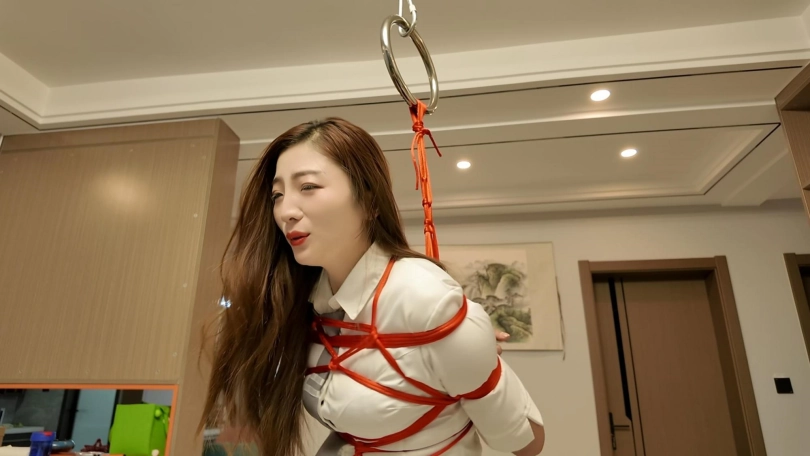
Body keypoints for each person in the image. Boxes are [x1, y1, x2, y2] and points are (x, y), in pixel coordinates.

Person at [201, 118, 545, 456]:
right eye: (277, 194)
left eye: (308, 187)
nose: (285, 211)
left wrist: (477, 356)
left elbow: (525, 442)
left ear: (369, 201)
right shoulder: (306, 301)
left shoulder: (425, 299)